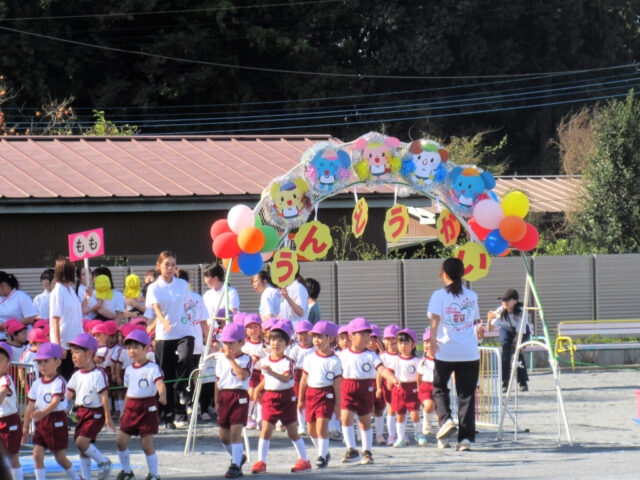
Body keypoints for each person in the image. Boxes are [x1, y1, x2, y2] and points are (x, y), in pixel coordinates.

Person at [428, 257, 484, 452]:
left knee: (439, 388)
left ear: (444, 273)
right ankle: (465, 439)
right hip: (469, 351)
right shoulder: (472, 295)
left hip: (446, 350)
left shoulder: (438, 295)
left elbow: (435, 320)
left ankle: (445, 421)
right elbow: (476, 321)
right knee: (466, 394)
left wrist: (433, 340)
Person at [250, 320, 311, 474]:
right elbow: (266, 380)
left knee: (292, 432)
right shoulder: (265, 361)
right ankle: (261, 462)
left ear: (288, 343)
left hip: (286, 399)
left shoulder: (288, 361)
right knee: (265, 431)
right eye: (272, 339)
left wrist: (272, 373)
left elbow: (286, 378)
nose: (275, 343)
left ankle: (304, 460)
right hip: (270, 398)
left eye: (280, 340)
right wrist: (257, 389)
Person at [339, 317, 399, 465]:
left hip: (365, 389)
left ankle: (367, 451)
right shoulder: (342, 355)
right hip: (346, 388)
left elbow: (381, 369)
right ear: (351, 336)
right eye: (362, 334)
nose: (367, 338)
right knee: (346, 419)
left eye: (368, 334)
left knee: (364, 422)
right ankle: (351, 450)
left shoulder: (371, 355)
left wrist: (391, 377)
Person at [145, 251, 193, 429]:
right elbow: (155, 307)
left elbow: (189, 305)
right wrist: (163, 321)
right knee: (166, 376)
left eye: (173, 264)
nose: (170, 268)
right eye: (167, 264)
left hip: (183, 330)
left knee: (187, 357)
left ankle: (182, 389)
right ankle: (167, 416)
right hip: (165, 335)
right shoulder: (154, 287)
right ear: (159, 266)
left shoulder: (182, 284)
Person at [21, 342, 81, 480]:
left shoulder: (59, 381)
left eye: (46, 361)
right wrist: (25, 427)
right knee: (37, 455)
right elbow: (30, 405)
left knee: (60, 457)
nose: (42, 365)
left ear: (58, 362)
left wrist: (42, 413)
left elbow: (55, 402)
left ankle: (76, 478)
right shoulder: (36, 384)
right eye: (40, 362)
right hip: (41, 422)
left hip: (56, 421)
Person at [116, 329, 166, 480]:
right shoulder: (129, 370)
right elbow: (128, 391)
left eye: (136, 347)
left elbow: (160, 383)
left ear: (147, 348)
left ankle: (154, 474)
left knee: (146, 444)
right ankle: (127, 471)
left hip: (148, 407)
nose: (132, 351)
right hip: (131, 407)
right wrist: (123, 410)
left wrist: (162, 395)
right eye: (129, 347)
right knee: (120, 441)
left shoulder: (152, 367)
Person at [66, 333, 114, 480]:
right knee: (83, 448)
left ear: (90, 353)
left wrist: (108, 417)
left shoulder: (98, 374)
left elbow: (104, 397)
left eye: (77, 352)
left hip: (95, 413)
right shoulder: (76, 375)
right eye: (72, 353)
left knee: (81, 442)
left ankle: (104, 462)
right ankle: (86, 477)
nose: (73, 356)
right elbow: (67, 395)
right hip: (81, 412)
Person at [298, 320, 342, 468]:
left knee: (322, 427)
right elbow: (304, 380)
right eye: (314, 336)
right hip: (311, 394)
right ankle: (323, 451)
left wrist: (337, 405)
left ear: (330, 338)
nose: (316, 340)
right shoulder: (310, 358)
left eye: (320, 337)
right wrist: (300, 399)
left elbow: (337, 385)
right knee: (310, 429)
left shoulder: (335, 361)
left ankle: (322, 456)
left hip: (326, 395)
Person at [215, 323, 252, 479]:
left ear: (242, 342)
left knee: (236, 431)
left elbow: (242, 376)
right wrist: (216, 401)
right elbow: (217, 381)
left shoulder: (246, 358)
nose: (228, 346)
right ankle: (237, 457)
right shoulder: (220, 359)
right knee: (224, 435)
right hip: (225, 396)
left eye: (231, 343)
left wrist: (232, 361)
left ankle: (235, 465)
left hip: (240, 397)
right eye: (225, 343)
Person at [487, 288, 531, 392]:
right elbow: (490, 329)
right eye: (503, 300)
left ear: (515, 301)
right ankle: (505, 382)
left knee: (517, 353)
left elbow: (520, 330)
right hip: (506, 330)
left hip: (521, 332)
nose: (504, 303)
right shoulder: (501, 310)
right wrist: (489, 319)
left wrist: (519, 344)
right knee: (505, 352)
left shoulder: (522, 311)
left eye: (507, 300)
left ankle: (522, 382)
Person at [388, 328, 426, 447]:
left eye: (406, 343)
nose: (403, 346)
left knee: (414, 413)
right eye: (400, 343)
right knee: (400, 414)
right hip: (399, 389)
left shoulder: (417, 360)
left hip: (413, 389)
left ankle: (419, 434)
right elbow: (389, 373)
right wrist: (391, 381)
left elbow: (421, 376)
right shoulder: (395, 360)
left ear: (413, 344)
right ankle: (400, 437)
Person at [49, 257, 84, 380]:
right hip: (64, 343)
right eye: (73, 270)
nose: (75, 273)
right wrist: (58, 345)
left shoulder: (71, 291)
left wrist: (88, 298)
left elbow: (78, 313)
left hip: (75, 341)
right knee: (64, 378)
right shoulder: (58, 291)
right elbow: (55, 319)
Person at [287, 320, 315, 435]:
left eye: (305, 333)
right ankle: (301, 425)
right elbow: (290, 363)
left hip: (312, 375)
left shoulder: (315, 348)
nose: (303, 336)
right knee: (299, 399)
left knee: (310, 399)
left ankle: (310, 422)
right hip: (298, 375)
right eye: (300, 334)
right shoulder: (295, 349)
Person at [0, 342, 22, 480]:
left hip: (10, 421)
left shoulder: (5, 379)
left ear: (8, 365)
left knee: (13, 455)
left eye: (0, 360)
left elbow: (2, 394)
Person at [378, 324, 400, 446]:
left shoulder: (403, 355)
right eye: (388, 338)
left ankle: (401, 432)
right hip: (388, 387)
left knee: (401, 411)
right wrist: (378, 388)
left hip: (402, 387)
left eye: (393, 338)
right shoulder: (383, 356)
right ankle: (392, 434)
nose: (391, 341)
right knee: (391, 409)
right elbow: (380, 374)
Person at [0, 271, 38, 341]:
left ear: (3, 285)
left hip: (19, 339)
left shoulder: (21, 296)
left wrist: (10, 325)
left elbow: (31, 318)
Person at [417, 329, 437, 439]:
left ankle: (443, 436)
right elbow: (419, 376)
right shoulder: (422, 361)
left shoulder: (443, 360)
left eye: (432, 342)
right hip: (426, 388)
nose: (429, 345)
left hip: (439, 387)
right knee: (429, 405)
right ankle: (426, 421)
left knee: (440, 412)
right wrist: (418, 389)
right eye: (426, 342)